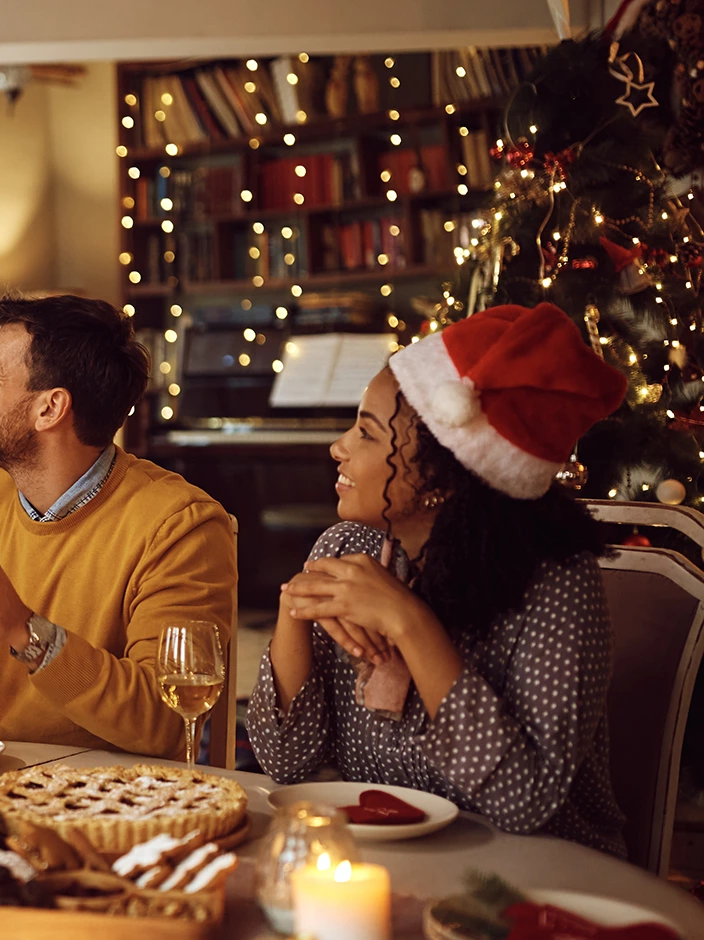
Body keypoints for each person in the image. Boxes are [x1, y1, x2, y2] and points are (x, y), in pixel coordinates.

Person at [245, 302, 628, 855]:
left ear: (441, 477)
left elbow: (522, 802)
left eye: (368, 435)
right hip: (387, 862)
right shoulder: (347, 550)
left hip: (535, 875)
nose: (339, 447)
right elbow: (287, 763)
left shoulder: (557, 583)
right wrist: (294, 608)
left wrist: (409, 620)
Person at [0, 293, 236, 756]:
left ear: (50, 408)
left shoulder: (179, 526)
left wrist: (27, 632)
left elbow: (164, 718)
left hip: (120, 800)